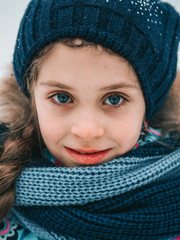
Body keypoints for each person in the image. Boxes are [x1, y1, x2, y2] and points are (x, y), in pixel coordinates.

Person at [0, 0, 180, 239]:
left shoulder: (172, 188)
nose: (86, 131)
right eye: (62, 97)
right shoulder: (7, 184)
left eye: (114, 99)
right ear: (31, 95)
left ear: (149, 102)